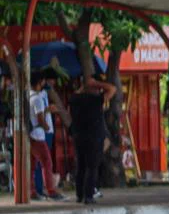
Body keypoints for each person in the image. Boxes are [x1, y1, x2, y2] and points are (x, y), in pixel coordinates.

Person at [69, 75, 115, 204]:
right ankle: (88, 195)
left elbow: (76, 94)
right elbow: (112, 89)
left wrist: (85, 85)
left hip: (79, 136)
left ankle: (80, 195)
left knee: (81, 166)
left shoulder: (75, 99)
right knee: (92, 167)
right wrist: (96, 83)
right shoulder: (95, 100)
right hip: (94, 137)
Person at [28, 71, 63, 200]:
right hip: (38, 136)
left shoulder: (29, 95)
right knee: (47, 163)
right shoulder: (37, 98)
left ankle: (31, 191)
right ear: (40, 82)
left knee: (32, 165)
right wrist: (46, 127)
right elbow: (40, 119)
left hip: (30, 135)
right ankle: (51, 191)